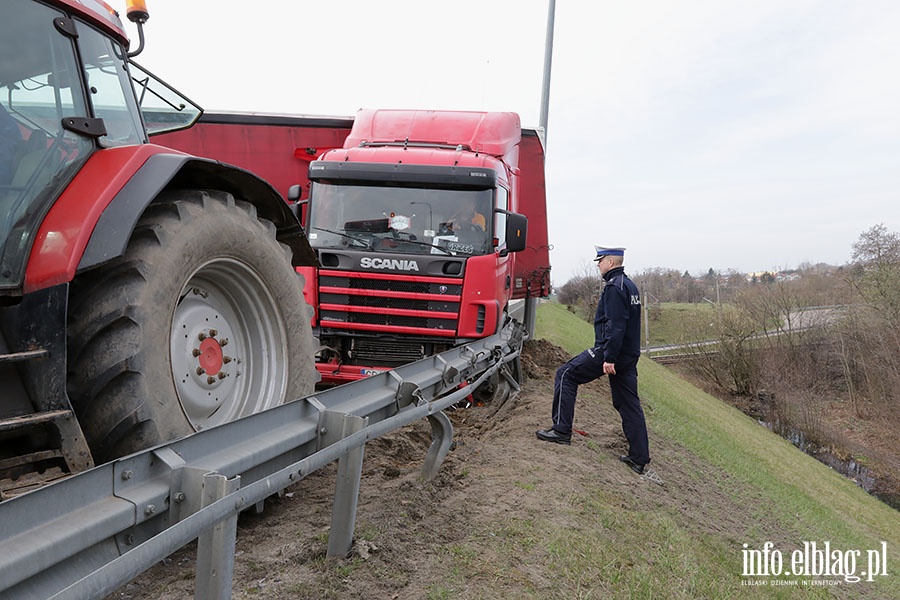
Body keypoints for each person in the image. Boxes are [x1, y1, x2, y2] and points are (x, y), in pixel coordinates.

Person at [536, 245, 651, 475]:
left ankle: (561, 431)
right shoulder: (629, 285)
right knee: (628, 404)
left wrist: (608, 358)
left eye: (600, 261)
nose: (598, 265)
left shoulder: (613, 288)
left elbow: (615, 326)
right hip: (628, 356)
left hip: (611, 353)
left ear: (610, 261)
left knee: (566, 374)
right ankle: (639, 458)